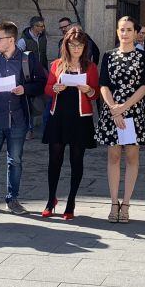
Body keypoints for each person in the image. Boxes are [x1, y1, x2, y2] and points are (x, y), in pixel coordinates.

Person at [0, 21, 45, 215]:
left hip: (18, 120)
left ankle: (13, 200)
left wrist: (25, 89)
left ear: (11, 39)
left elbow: (41, 83)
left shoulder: (27, 60)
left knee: (15, 161)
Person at [95, 16, 145, 223]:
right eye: (122, 29)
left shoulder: (144, 56)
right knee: (113, 157)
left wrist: (124, 108)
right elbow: (103, 85)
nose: (125, 33)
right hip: (112, 112)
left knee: (131, 158)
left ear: (136, 32)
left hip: (134, 112)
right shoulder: (108, 56)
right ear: (117, 31)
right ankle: (113, 203)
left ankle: (126, 204)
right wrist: (114, 109)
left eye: (129, 29)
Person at [42, 26, 99, 220]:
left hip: (80, 119)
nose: (76, 48)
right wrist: (56, 88)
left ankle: (71, 202)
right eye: (73, 45)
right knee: (54, 159)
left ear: (85, 47)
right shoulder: (56, 64)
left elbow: (96, 94)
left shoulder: (90, 67)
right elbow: (48, 89)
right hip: (58, 117)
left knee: (76, 160)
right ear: (66, 45)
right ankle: (51, 199)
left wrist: (88, 90)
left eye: (80, 45)